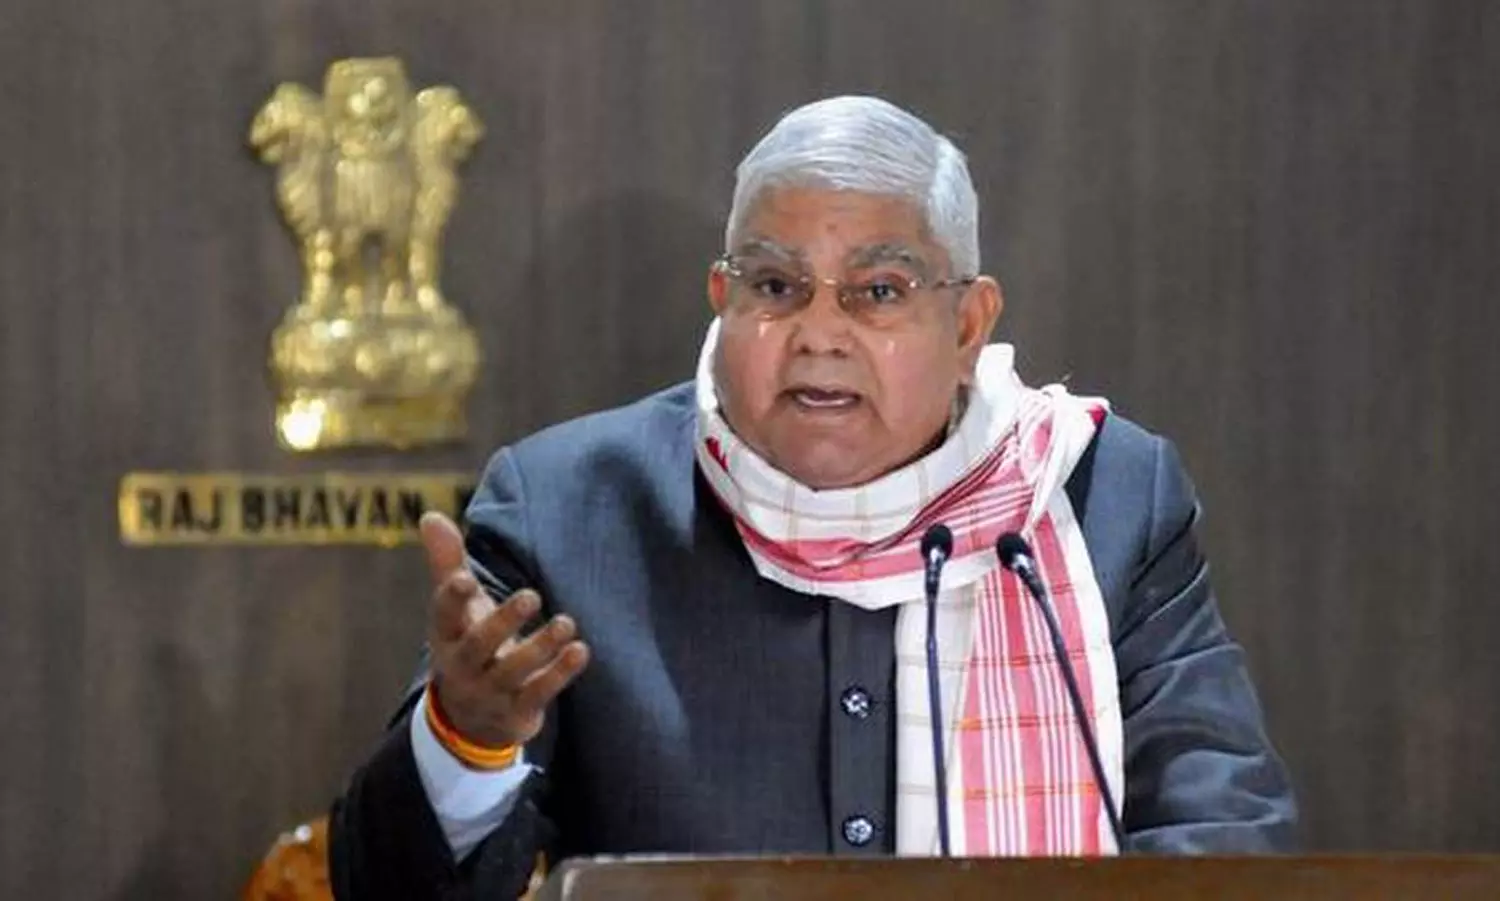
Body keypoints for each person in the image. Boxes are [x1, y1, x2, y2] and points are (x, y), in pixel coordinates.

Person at [328, 95, 1297, 900]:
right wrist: (466, 740)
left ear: (968, 323)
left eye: (879, 290)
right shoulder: (569, 512)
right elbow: (388, 886)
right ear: (723, 300)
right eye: (775, 285)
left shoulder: (1094, 494)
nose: (819, 333)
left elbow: (1223, 833)